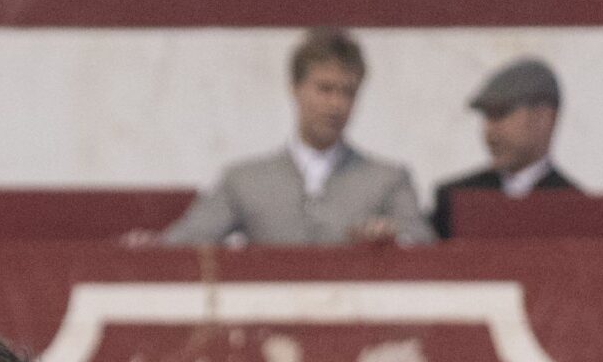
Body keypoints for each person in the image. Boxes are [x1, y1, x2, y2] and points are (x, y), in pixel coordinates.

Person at [153, 28, 433, 247]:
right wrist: (145, 248)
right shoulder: (245, 180)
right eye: (324, 89)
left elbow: (424, 245)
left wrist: (394, 240)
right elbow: (186, 241)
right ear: (295, 89)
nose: (336, 104)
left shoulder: (388, 179)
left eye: (347, 92)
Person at [430, 56, 584, 240]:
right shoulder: (454, 200)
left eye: (500, 114)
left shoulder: (575, 207)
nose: (490, 130)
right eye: (487, 117)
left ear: (543, 119)